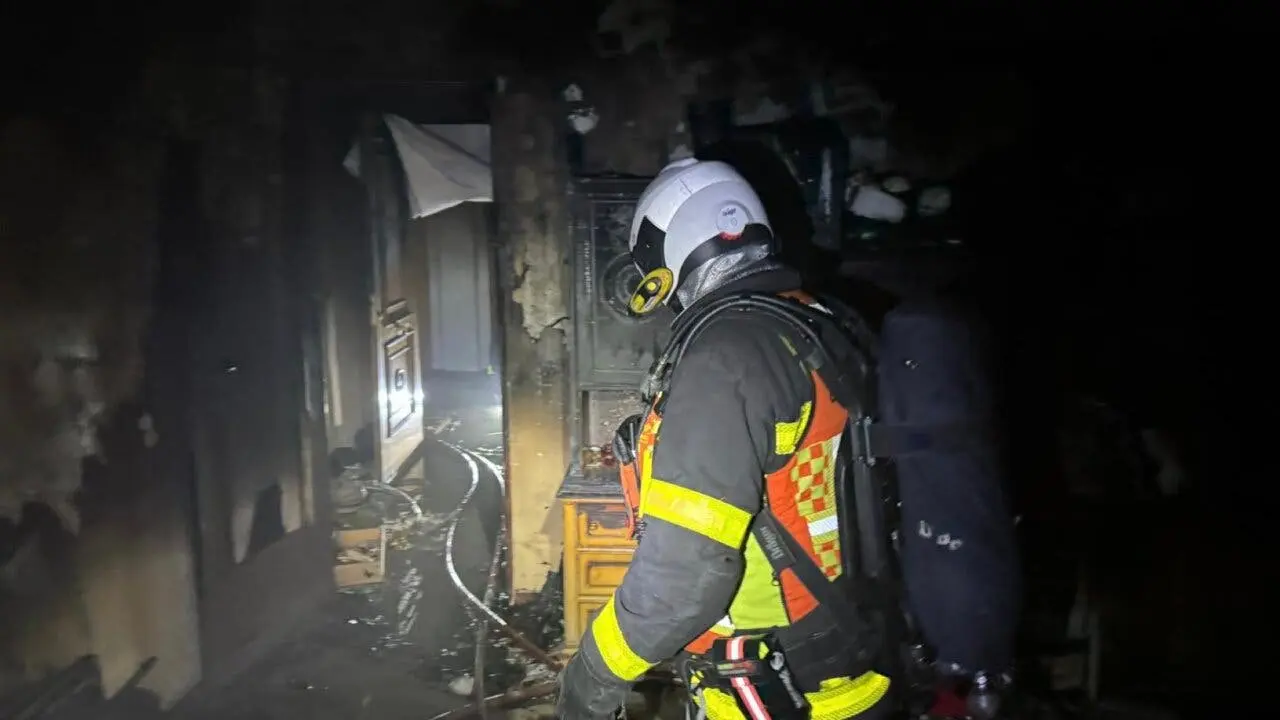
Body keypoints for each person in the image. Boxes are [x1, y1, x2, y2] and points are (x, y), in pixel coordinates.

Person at [556, 158, 899, 720]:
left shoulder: (726, 357)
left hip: (777, 690)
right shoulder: (817, 322)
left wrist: (590, 675)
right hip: (847, 655)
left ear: (669, 259)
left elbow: (686, 577)